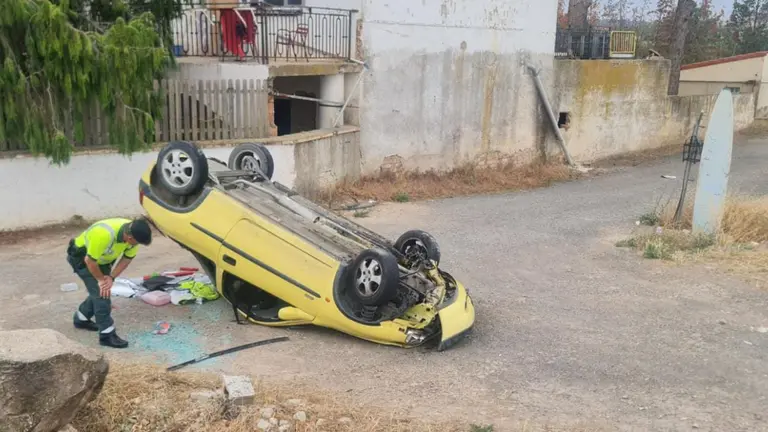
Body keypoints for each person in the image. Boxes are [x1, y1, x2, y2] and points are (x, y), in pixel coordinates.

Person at [66, 217, 152, 348]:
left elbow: (126, 259)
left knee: (101, 290)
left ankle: (81, 318)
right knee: (102, 294)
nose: (135, 245)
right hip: (82, 258)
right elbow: (90, 261)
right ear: (129, 237)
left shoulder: (133, 235)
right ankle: (107, 335)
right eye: (135, 242)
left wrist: (111, 277)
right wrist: (101, 280)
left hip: (102, 260)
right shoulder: (103, 234)